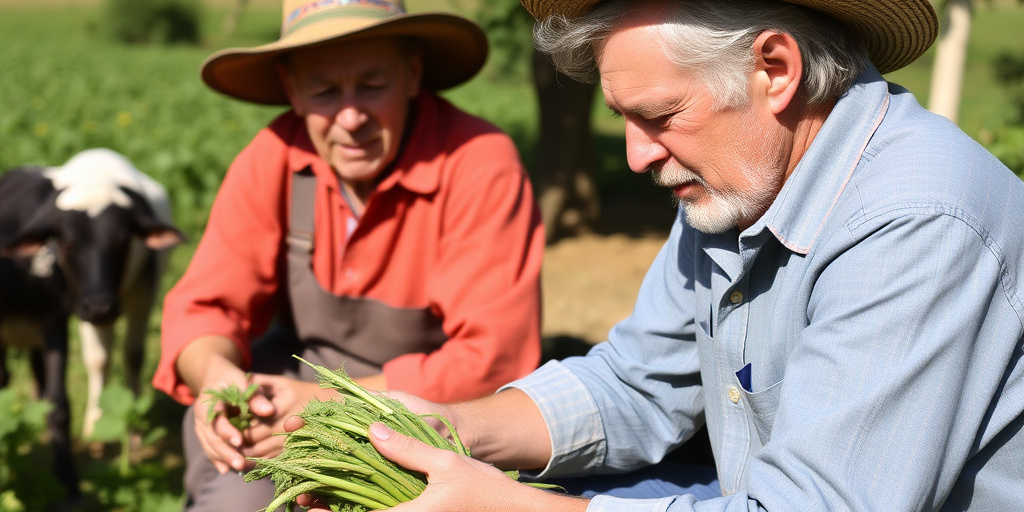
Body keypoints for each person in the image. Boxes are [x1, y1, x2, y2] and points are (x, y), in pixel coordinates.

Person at [297, 0, 1024, 510]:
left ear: (775, 68)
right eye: (623, 119)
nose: (638, 154)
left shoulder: (916, 224)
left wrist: (507, 511)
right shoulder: (737, 182)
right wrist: (445, 428)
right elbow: (639, 384)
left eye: (660, 116)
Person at [151, 1, 545, 510]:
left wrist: (327, 407)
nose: (351, 116)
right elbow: (204, 306)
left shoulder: (477, 164)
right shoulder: (276, 156)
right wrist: (216, 378)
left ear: (412, 74)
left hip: (434, 418)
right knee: (233, 494)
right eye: (324, 91)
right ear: (292, 91)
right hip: (295, 384)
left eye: (372, 84)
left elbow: (492, 358)